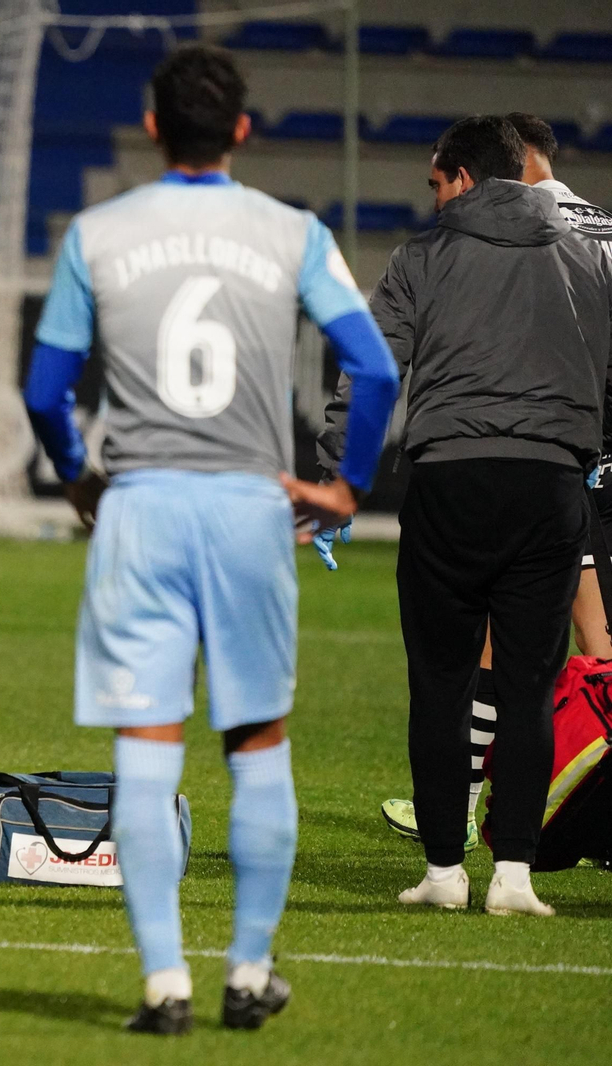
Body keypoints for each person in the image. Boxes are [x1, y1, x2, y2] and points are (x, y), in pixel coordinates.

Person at [24, 44, 399, 1034]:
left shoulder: (98, 233)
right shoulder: (292, 232)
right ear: (241, 129)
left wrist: (79, 475)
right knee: (257, 740)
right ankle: (248, 970)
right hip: (246, 509)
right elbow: (375, 369)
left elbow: (45, 390)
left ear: (152, 127)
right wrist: (346, 487)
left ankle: (163, 985)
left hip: (140, 508)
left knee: (146, 747)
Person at [322, 116, 611, 917]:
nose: (433, 197)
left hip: (450, 483)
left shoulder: (422, 258)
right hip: (552, 487)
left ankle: (445, 871)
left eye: (436, 182)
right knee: (529, 687)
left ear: (464, 178)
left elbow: (372, 373)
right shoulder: (587, 258)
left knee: (442, 686)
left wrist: (341, 477)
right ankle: (513, 875)